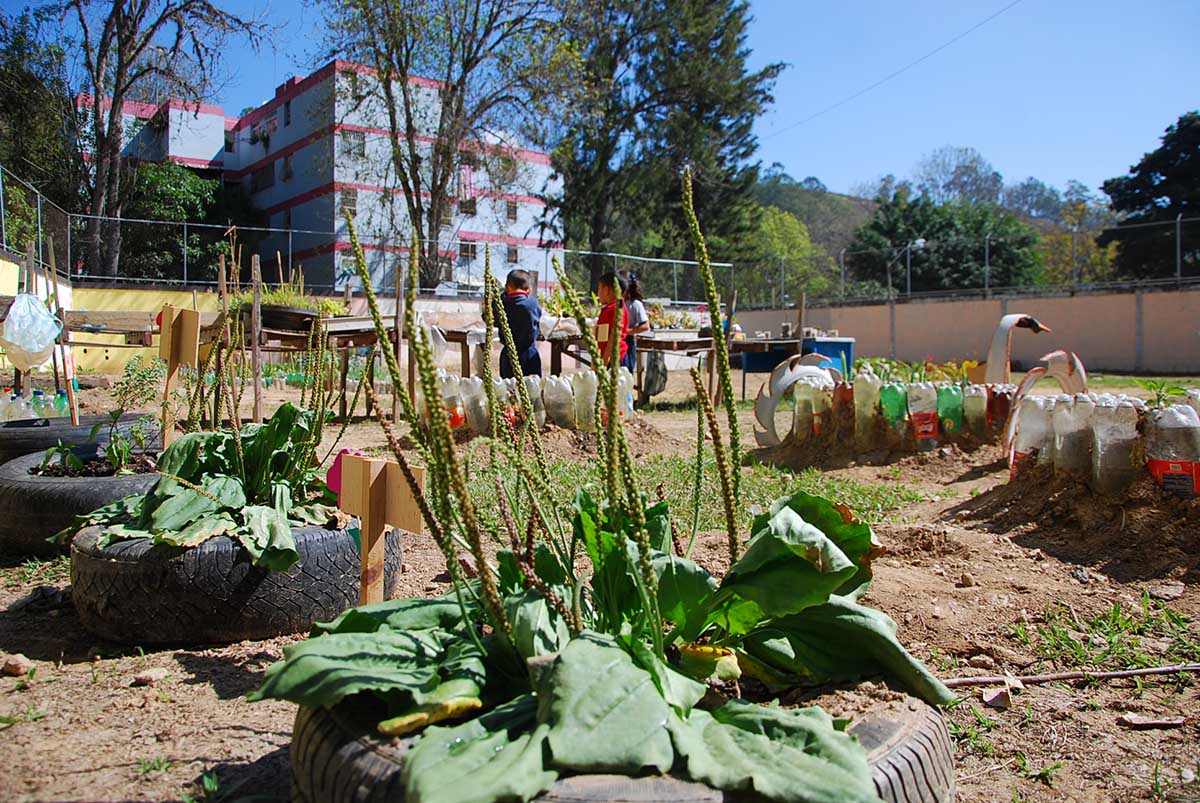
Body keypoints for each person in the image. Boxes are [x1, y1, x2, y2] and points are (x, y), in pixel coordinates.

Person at [496, 269, 542, 378]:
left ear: (507, 288)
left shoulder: (500, 305)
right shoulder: (532, 304)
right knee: (532, 388)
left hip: (508, 355)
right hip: (529, 353)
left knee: (509, 389)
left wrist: (501, 296)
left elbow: (487, 317)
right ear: (528, 290)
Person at [595, 272, 629, 365]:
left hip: (614, 359)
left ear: (606, 290)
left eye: (599, 289)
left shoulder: (617, 309)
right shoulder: (608, 309)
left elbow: (614, 336)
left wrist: (606, 358)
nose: (598, 293)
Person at [621, 272, 650, 372]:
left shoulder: (635, 304)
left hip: (627, 341)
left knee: (626, 371)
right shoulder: (617, 302)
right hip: (615, 340)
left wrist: (626, 331)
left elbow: (645, 326)